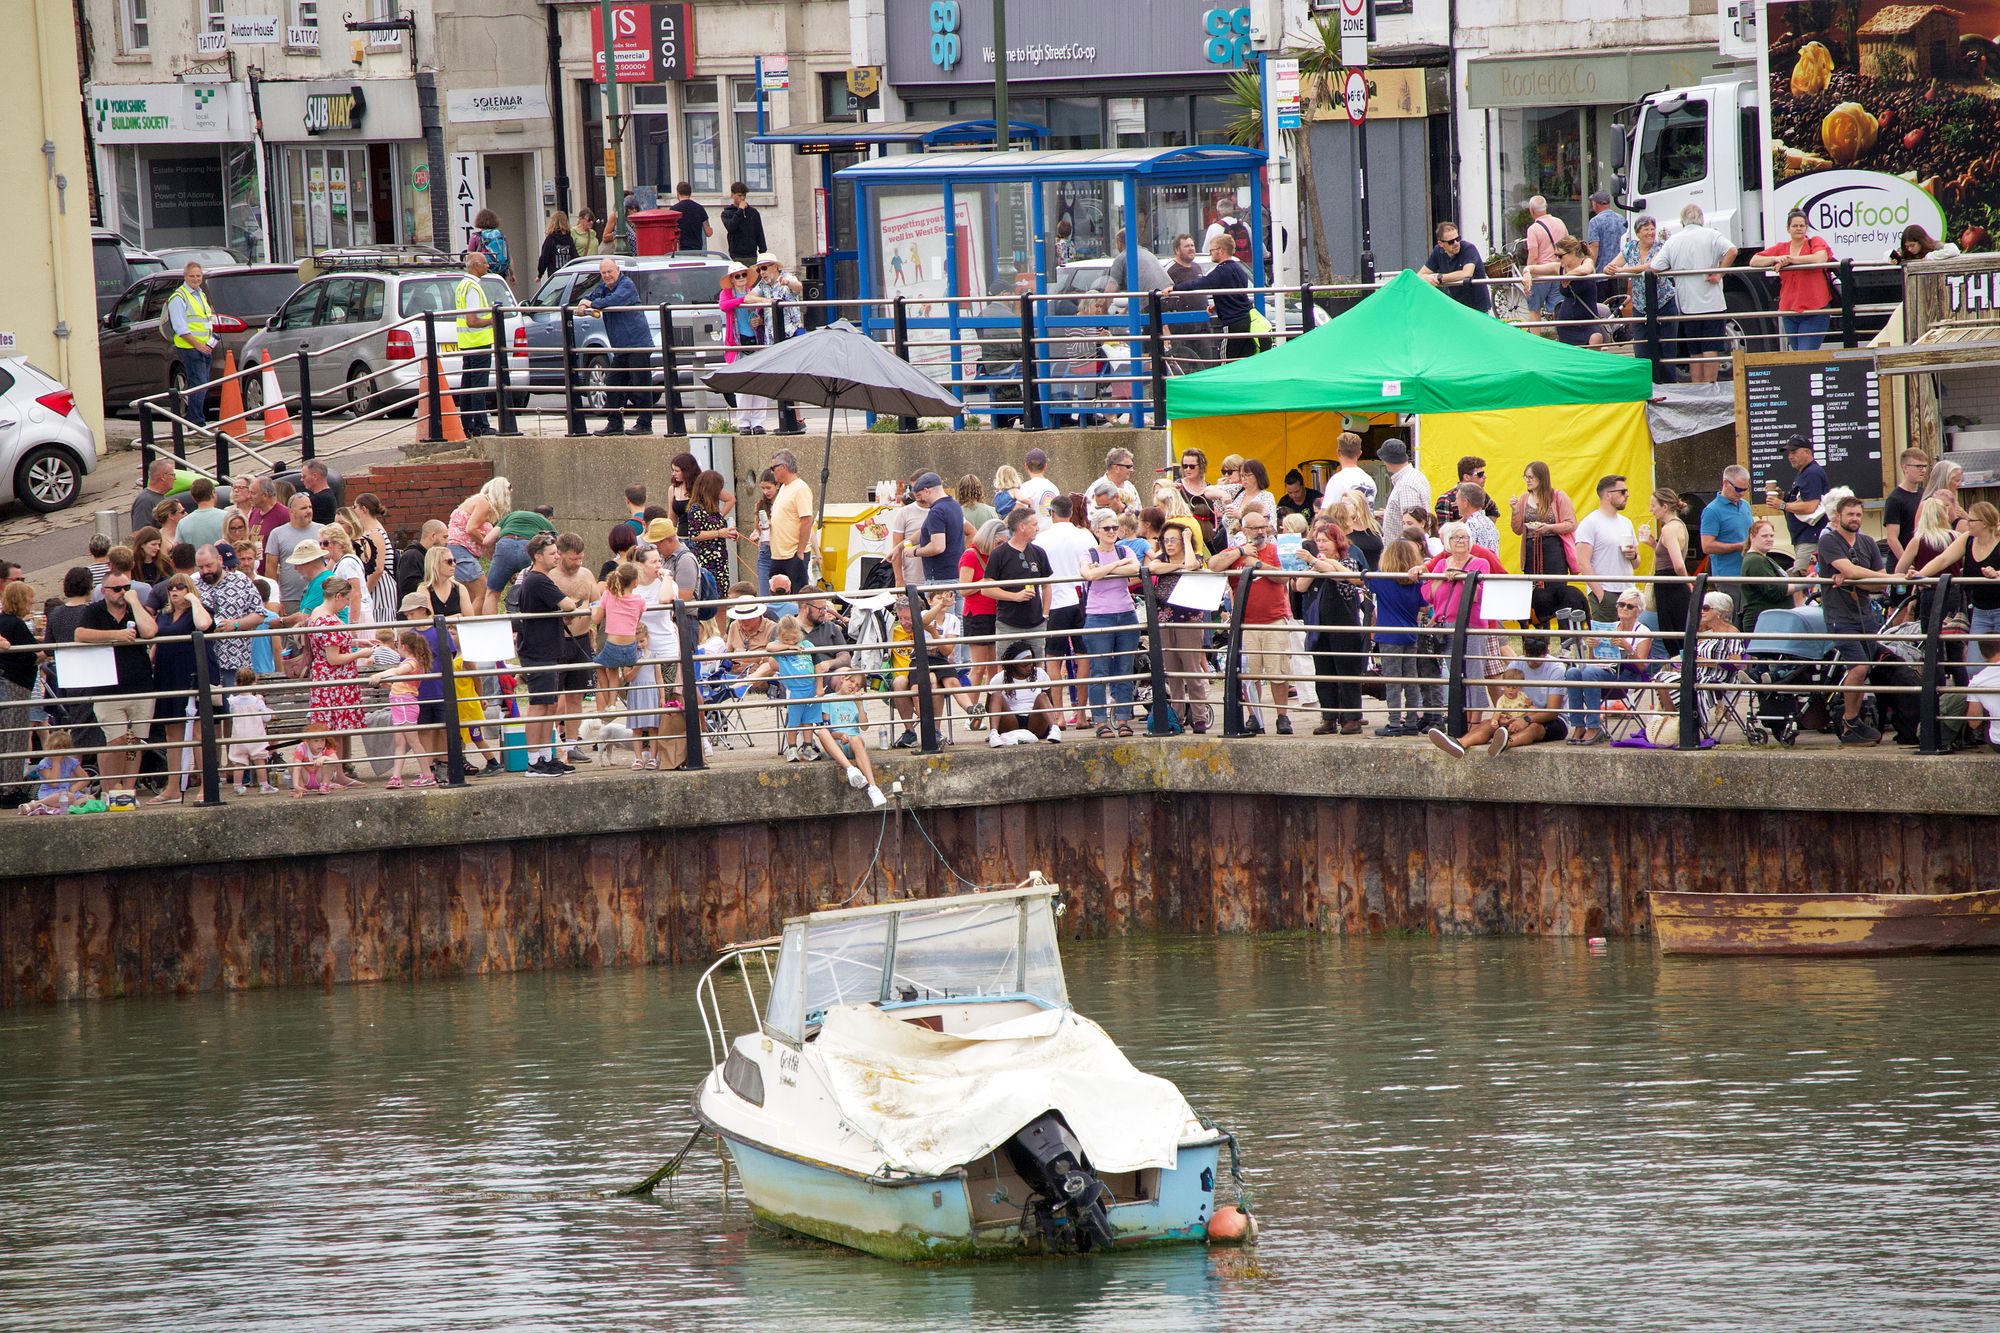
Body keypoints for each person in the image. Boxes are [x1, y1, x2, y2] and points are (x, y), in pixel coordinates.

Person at [1207, 507, 1294, 734]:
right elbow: (1213, 565)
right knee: (1249, 674)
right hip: (1245, 623)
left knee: (1278, 671)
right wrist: (1240, 553)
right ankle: (1254, 716)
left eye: (1262, 526)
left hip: (1274, 618)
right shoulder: (1235, 551)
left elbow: (1284, 577)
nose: (1259, 531)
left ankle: (1282, 716)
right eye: (1254, 527)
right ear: (1244, 530)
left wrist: (1257, 565)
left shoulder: (1275, 550)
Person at [74, 568, 158, 801]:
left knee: (135, 741)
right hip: (107, 687)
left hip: (140, 684)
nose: (123, 592)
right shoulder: (94, 610)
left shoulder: (135, 608)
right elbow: (80, 634)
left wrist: (135, 602)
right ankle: (110, 790)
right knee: (115, 740)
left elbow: (150, 631)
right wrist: (116, 635)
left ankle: (127, 792)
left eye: (127, 588)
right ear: (104, 591)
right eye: (118, 589)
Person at [1818, 494, 1895, 744]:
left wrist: (1856, 580)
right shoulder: (1829, 540)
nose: (1855, 519)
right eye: (1850, 514)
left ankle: (1855, 721)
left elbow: (1879, 583)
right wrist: (1856, 576)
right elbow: (1854, 571)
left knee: (1865, 669)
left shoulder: (1868, 542)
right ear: (1838, 517)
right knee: (1859, 666)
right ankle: (1849, 721)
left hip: (1865, 614)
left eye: (1859, 514)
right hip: (1839, 615)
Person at [1650, 203, 1737, 384]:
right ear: (1701, 219)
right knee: (1711, 346)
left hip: (1688, 304)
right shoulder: (1712, 234)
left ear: (1682, 221)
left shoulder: (1673, 240)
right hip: (1712, 302)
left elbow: (1655, 267)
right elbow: (1732, 250)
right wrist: (1720, 272)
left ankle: (1697, 388)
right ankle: (1711, 386)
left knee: (1695, 349)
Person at [513, 534, 576, 777]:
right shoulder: (539, 580)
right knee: (539, 706)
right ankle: (533, 761)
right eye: (552, 553)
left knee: (549, 705)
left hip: (546, 650)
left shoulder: (536, 579)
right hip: (538, 652)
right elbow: (568, 605)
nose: (557, 556)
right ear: (538, 557)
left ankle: (546, 756)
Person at [1298, 515, 1366, 735]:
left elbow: (1344, 577)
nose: (1321, 545)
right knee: (1324, 672)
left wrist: (1316, 562)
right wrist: (1314, 565)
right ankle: (1329, 717)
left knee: (1347, 671)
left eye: (1325, 540)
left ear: (1337, 542)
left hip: (1344, 624)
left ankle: (1352, 718)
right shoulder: (1315, 564)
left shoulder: (1347, 561)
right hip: (1321, 625)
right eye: (1318, 541)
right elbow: (1299, 586)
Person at [573, 256, 655, 436]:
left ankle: (645, 424)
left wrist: (591, 304)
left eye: (610, 271)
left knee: (640, 385)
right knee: (613, 383)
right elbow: (590, 296)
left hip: (637, 343)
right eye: (603, 273)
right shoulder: (603, 287)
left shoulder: (626, 285)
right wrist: (583, 302)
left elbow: (613, 300)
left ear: (617, 270)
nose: (607, 276)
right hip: (621, 346)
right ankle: (615, 423)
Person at [1078, 507, 1141, 737]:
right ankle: (1100, 721)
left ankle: (1123, 719)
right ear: (1096, 530)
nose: (1112, 531)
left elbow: (1135, 568)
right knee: (1099, 672)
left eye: (1115, 527)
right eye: (1107, 528)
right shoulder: (1089, 553)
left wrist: (1107, 568)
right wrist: (1116, 565)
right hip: (1098, 615)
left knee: (1125, 669)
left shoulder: (1125, 550)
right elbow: (1089, 574)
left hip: (1126, 613)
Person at [1562, 591, 1654, 745]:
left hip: (1627, 675)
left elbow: (1642, 667)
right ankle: (1579, 725)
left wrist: (1628, 648)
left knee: (1590, 673)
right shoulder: (1609, 627)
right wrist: (1593, 647)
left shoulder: (1643, 632)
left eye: (1629, 606)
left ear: (1638, 611)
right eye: (1621, 604)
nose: (1624, 608)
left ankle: (1593, 727)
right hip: (1602, 673)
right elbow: (1593, 661)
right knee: (1572, 673)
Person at [1914, 502, 2000, 664]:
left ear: (1983, 523)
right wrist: (1920, 575)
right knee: (1974, 666)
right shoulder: (1967, 539)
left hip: (1998, 607)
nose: (1967, 523)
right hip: (1980, 610)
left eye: (1971, 520)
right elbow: (1943, 559)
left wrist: (1996, 573)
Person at [303, 577, 367, 783]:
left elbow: (329, 647)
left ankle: (333, 774)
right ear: (338, 596)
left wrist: (356, 641)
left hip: (324, 677)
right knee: (335, 729)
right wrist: (360, 653)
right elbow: (334, 658)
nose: (347, 604)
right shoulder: (329, 620)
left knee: (332, 727)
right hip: (335, 680)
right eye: (346, 600)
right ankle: (335, 775)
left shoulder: (316, 614)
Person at [1370, 539, 1436, 736]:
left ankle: (1394, 723)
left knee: (1393, 681)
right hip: (1410, 635)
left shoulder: (1381, 579)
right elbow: (1425, 606)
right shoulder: (1415, 582)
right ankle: (1411, 721)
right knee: (1411, 680)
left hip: (1389, 636)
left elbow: (1360, 578)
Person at [1752, 209, 1836, 351]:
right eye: (1795, 226)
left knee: (1805, 354)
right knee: (1797, 356)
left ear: (1806, 228)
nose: (1798, 229)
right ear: (1788, 228)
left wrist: (1790, 260)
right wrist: (1775, 259)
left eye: (1802, 226)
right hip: (1789, 311)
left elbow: (1820, 258)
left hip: (1814, 310)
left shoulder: (1815, 242)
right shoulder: (1781, 248)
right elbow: (1754, 260)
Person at [1163, 233, 1254, 361]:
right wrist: (1217, 306)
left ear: (1221, 251)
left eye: (1212, 250)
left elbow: (1199, 283)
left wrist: (1174, 288)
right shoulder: (1238, 269)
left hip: (1232, 322)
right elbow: (1236, 295)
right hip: (1245, 320)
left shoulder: (1221, 271)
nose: (1210, 253)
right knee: (1242, 360)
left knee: (1225, 360)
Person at [1511, 461, 1579, 625]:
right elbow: (1517, 529)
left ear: (1541, 478)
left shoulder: (1558, 496)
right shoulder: (1524, 498)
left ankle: (1565, 638)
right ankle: (1540, 636)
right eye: (1525, 477)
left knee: (1557, 592)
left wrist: (1549, 528)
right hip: (1531, 552)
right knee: (1535, 594)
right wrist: (1514, 511)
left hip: (1553, 552)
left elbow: (1571, 523)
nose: (1527, 480)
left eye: (1531, 477)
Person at [986, 505, 1051, 664]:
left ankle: (1036, 690)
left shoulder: (1039, 552)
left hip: (1036, 623)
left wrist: (1045, 614)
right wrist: (1014, 596)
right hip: (1008, 623)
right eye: (1034, 524)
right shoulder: (999, 554)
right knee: (1006, 666)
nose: (1038, 528)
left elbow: (1047, 585)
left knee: (1037, 667)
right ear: (1022, 527)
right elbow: (986, 588)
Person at [814, 668, 888, 807]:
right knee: (822, 731)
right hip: (835, 744)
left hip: (854, 743)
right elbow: (827, 727)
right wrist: (839, 735)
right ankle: (851, 769)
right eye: (851, 681)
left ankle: (873, 787)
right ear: (842, 678)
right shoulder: (828, 699)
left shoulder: (857, 700)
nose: (853, 686)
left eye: (858, 685)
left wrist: (859, 705)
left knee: (856, 739)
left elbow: (864, 726)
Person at [1574, 474, 1638, 622]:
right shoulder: (1590, 523)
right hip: (1606, 591)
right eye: (1622, 491)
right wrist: (1600, 593)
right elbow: (1583, 562)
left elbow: (1636, 563)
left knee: (1629, 640)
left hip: (1628, 591)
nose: (1627, 495)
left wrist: (1633, 555)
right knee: (1605, 641)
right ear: (1608, 495)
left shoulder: (1626, 522)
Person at [718, 261, 772, 433]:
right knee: (742, 386)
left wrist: (760, 320)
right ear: (732, 279)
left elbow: (764, 313)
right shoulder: (727, 294)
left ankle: (758, 422)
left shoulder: (754, 292)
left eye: (743, 275)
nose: (741, 278)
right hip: (737, 343)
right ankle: (743, 423)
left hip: (756, 340)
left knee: (760, 383)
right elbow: (724, 306)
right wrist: (744, 300)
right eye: (737, 276)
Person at [1606, 213, 1676, 340]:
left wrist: (1623, 270)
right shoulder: (1631, 247)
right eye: (1646, 229)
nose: (1650, 233)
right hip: (1640, 304)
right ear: (1638, 233)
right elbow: (1613, 264)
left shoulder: (1661, 247)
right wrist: (1609, 268)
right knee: (1641, 345)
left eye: (1652, 229)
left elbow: (1652, 266)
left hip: (1663, 301)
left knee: (1666, 344)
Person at [166, 262, 220, 424]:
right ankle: (196, 421)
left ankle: (196, 419)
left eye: (198, 276)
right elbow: (180, 328)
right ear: (185, 277)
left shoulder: (200, 294)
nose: (196, 279)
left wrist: (208, 344)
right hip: (191, 348)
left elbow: (204, 322)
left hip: (205, 348)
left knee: (201, 385)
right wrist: (198, 346)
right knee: (199, 385)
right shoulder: (179, 297)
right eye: (192, 276)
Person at [1643, 488, 1693, 652]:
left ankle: (1680, 670)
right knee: (1677, 633)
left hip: (1670, 585)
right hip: (1671, 583)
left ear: (1664, 506)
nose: (1651, 510)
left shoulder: (1669, 528)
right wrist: (1652, 543)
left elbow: (1677, 564)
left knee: (1673, 635)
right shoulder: (1679, 526)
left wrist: (1688, 583)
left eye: (1653, 505)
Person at [986, 640, 1063, 745]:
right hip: (1011, 723)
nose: (1029, 667)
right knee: (996, 695)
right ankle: (993, 734)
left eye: (1031, 663)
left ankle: (1055, 729)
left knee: (1042, 696)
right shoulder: (999, 678)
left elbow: (1049, 703)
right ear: (1013, 665)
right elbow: (989, 707)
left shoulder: (1040, 674)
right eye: (1024, 665)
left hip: (1035, 722)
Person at [455, 249, 495, 436]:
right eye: (485, 263)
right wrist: (493, 319)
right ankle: (481, 425)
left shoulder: (462, 285)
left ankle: (468, 425)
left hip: (467, 342)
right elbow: (472, 320)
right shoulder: (472, 287)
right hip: (478, 342)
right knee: (478, 386)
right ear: (477, 266)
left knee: (468, 385)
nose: (488, 266)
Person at [1767, 436, 1830, 553]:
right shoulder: (1805, 472)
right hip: (1804, 538)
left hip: (1810, 538)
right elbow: (1803, 498)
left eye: (1794, 452)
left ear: (1807, 452)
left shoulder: (1812, 473)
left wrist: (1782, 505)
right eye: (1789, 453)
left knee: (1804, 571)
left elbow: (1811, 506)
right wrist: (1784, 497)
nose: (1790, 456)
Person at [767, 449, 815, 592]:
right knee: (776, 598)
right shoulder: (783, 488)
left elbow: (807, 520)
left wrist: (800, 552)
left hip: (792, 554)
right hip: (778, 554)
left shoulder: (800, 488)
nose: (772, 472)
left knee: (796, 597)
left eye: (773, 468)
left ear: (784, 467)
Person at [1699, 465, 1753, 590]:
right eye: (1738, 489)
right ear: (1725, 483)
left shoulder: (1745, 505)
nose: (1742, 494)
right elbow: (1706, 546)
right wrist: (1739, 546)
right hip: (1727, 578)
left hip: (1748, 574)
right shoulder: (1712, 511)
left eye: (1745, 489)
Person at [1738, 518, 1795, 632]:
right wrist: (1804, 584)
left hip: (1772, 621)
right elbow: (1775, 590)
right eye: (1764, 536)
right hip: (1763, 624)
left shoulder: (1764, 558)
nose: (1769, 539)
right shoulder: (1755, 560)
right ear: (1752, 537)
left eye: (1771, 536)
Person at [1418, 222, 1490, 312]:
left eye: (1457, 239)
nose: (1456, 243)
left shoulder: (1469, 249)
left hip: (1477, 304)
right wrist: (1426, 278)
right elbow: (1420, 274)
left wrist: (1439, 277)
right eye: (1451, 242)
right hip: (1457, 305)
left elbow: (1467, 273)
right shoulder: (1438, 251)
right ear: (1441, 244)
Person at [909, 472, 965, 587]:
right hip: (957, 574)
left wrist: (914, 552)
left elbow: (937, 547)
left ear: (927, 490)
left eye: (921, 495)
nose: (922, 499)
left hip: (940, 577)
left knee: (939, 606)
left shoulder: (936, 511)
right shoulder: (955, 505)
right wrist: (901, 546)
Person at [1521, 195, 1570, 318]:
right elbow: (1569, 247)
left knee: (1534, 310)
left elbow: (1533, 255)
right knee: (1558, 309)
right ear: (1546, 208)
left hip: (1540, 275)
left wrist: (1528, 273)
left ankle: (1535, 337)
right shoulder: (1560, 223)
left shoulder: (1533, 229)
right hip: (1558, 273)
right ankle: (1561, 336)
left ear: (1531, 210)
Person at [1882, 449, 1931, 564]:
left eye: (1925, 466)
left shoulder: (1925, 494)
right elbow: (1892, 538)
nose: (1923, 470)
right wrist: (1907, 563)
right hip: (1901, 564)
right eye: (1918, 466)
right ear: (1905, 468)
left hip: (1922, 561)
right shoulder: (1895, 499)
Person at [1378, 440, 1431, 539]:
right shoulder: (1416, 475)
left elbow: (1412, 523)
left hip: (1403, 550)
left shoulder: (1406, 485)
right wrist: (1391, 513)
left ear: (1386, 460)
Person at [1321, 432, 1378, 514]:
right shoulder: (1369, 480)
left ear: (1338, 452)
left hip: (1345, 526)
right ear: (1359, 454)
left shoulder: (1337, 481)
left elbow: (1326, 514)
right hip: (1367, 526)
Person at [131, 458, 180, 536]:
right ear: (163, 477)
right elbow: (139, 534)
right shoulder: (145, 501)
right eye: (172, 475)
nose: (175, 478)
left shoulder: (160, 497)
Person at [720, 182, 765, 265]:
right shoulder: (727, 213)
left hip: (752, 255)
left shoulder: (753, 212)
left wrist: (763, 252)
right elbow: (731, 227)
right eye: (739, 195)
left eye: (744, 196)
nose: (742, 198)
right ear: (733, 195)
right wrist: (740, 211)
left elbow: (759, 233)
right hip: (736, 255)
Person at [1584, 190, 1626, 273]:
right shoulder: (1621, 219)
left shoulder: (1595, 221)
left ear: (1595, 204)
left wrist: (1590, 268)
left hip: (1602, 272)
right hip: (1620, 271)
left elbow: (1594, 246)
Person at [1016, 447, 1060, 519]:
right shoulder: (1054, 488)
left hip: (1035, 530)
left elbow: (1016, 514)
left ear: (1026, 466)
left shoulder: (1026, 487)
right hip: (1052, 529)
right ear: (1045, 466)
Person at [1890, 223, 1959, 266]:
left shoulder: (1934, 245)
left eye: (1912, 245)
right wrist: (1893, 258)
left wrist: (1931, 256)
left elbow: (1954, 250)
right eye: (1907, 246)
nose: (1909, 249)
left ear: (1921, 241)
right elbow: (1887, 254)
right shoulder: (1906, 251)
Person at [471, 207, 511, 279]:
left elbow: (470, 257)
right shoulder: (501, 236)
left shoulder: (475, 237)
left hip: (483, 271)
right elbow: (508, 257)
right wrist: (512, 274)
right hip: (500, 272)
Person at [537, 211, 578, 281]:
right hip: (568, 275)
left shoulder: (550, 239)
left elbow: (544, 258)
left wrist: (540, 274)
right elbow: (574, 256)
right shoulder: (569, 239)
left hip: (555, 276)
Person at [672, 182, 713, 252]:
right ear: (690, 194)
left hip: (681, 250)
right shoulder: (700, 208)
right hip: (697, 250)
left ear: (678, 193)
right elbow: (709, 233)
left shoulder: (674, 210)